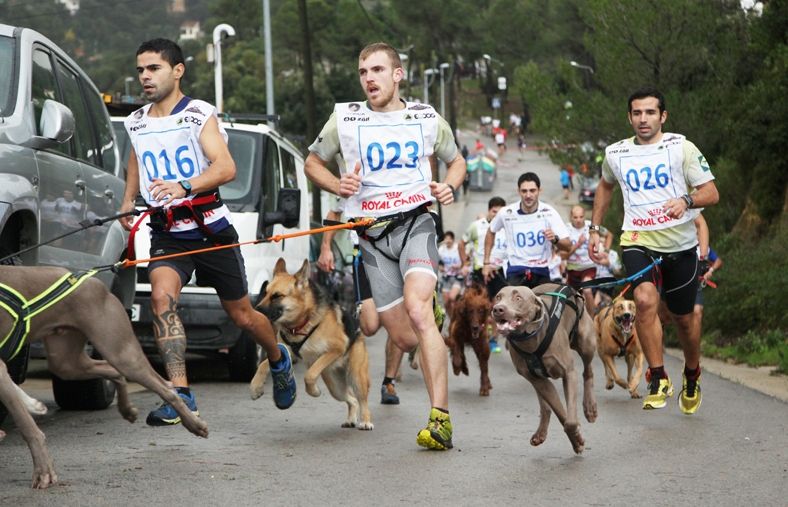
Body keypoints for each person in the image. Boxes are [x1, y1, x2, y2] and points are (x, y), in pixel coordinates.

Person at [119, 38, 296, 426]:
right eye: (140, 70)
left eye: (154, 69)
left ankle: (279, 359)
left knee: (243, 316)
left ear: (177, 70)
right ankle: (181, 395)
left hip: (210, 231)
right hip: (167, 233)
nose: (145, 77)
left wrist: (183, 186)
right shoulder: (136, 121)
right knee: (162, 302)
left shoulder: (198, 114)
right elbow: (136, 157)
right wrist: (128, 199)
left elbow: (225, 167)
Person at [304, 42, 466, 450]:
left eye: (378, 70)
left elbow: (457, 160)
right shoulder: (345, 119)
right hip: (372, 239)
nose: (369, 78)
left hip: (416, 224)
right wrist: (336, 184)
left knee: (417, 309)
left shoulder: (426, 118)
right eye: (363, 72)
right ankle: (434, 315)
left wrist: (449, 185)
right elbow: (312, 163)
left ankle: (440, 420)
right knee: (406, 337)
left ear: (398, 75)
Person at [588, 87, 719, 414]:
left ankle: (692, 373)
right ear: (629, 117)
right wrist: (595, 228)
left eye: (649, 113)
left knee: (685, 320)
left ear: (663, 116)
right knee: (644, 300)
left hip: (681, 245)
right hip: (637, 240)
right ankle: (658, 376)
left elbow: (711, 192)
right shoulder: (616, 153)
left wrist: (686, 201)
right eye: (637, 113)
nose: (643, 119)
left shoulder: (681, 147)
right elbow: (605, 186)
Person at [318, 196, 404, 405]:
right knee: (370, 326)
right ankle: (388, 316)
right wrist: (326, 247)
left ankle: (389, 382)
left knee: (398, 324)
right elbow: (334, 213)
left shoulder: (400, 182)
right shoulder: (354, 186)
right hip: (364, 258)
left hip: (395, 257)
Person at [483, 172, 571, 288]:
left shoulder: (549, 213)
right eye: (524, 191)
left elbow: (568, 246)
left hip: (541, 270)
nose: (528, 195)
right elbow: (491, 231)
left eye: (532, 190)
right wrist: (486, 262)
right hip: (516, 270)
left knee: (546, 304)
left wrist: (555, 239)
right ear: (518, 191)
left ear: (539, 191)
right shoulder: (506, 213)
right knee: (510, 304)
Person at [459, 197, 507, 353]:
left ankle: (493, 340)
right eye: (494, 211)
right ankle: (478, 335)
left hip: (499, 271)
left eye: (500, 212)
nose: (497, 215)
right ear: (489, 210)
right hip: (481, 271)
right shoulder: (477, 226)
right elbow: (461, 243)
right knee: (481, 306)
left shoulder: (507, 227)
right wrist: (464, 263)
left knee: (496, 307)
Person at [565, 205, 598, 315]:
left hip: (589, 266)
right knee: (572, 297)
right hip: (573, 268)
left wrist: (603, 250)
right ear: (571, 217)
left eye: (581, 217)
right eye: (575, 217)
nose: (579, 220)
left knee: (587, 290)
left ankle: (593, 320)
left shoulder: (591, 226)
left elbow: (607, 234)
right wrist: (578, 244)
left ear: (584, 216)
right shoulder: (566, 229)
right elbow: (563, 255)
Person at [437, 231, 463, 317]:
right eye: (446, 238)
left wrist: (459, 265)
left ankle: (459, 314)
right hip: (446, 277)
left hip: (457, 276)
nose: (447, 240)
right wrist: (440, 267)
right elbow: (439, 261)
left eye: (449, 239)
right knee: (447, 302)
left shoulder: (457, 248)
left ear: (453, 239)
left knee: (452, 297)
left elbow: (466, 261)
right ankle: (453, 318)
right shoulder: (441, 249)